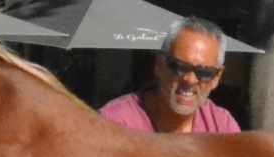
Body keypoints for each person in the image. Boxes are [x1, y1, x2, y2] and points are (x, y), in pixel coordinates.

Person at [98, 17, 241, 134]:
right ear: (159, 65)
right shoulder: (115, 123)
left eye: (204, 73)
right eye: (180, 67)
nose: (190, 79)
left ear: (216, 78)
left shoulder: (222, 127)